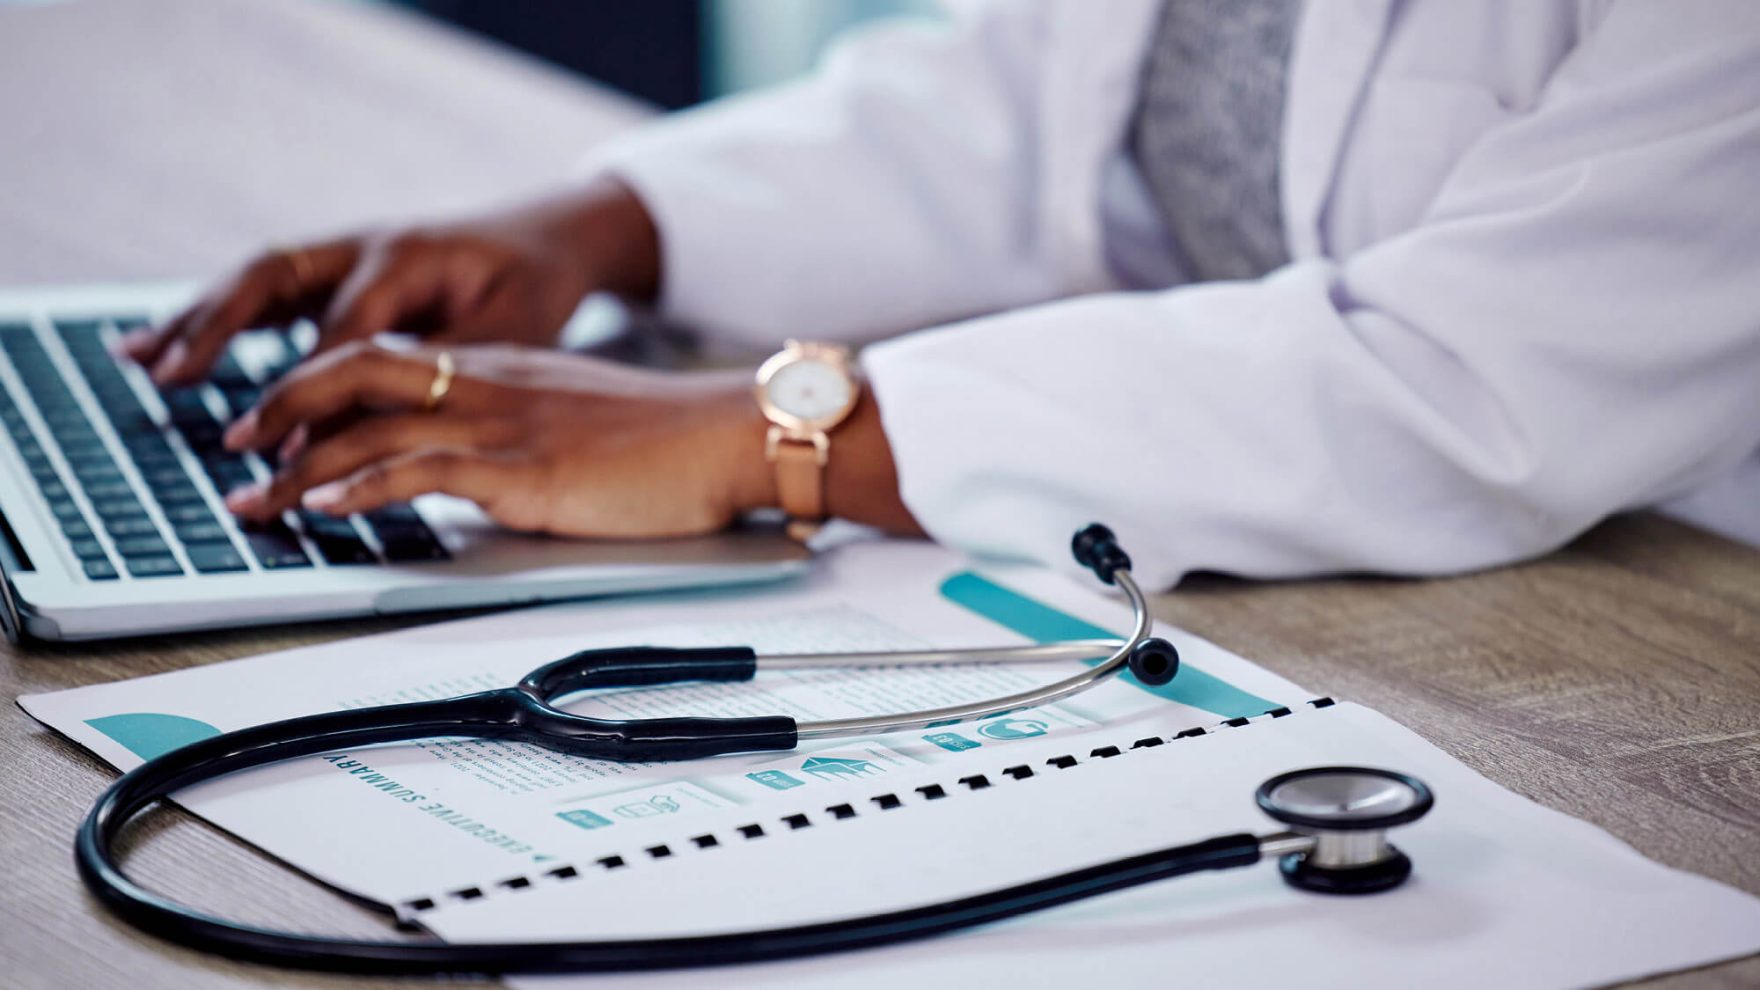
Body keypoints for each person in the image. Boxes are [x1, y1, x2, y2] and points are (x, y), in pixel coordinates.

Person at [117, 0, 1760, 589]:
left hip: (1647, 638)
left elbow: (1454, 380)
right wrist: (604, 227)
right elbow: (1037, 93)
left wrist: (764, 434)